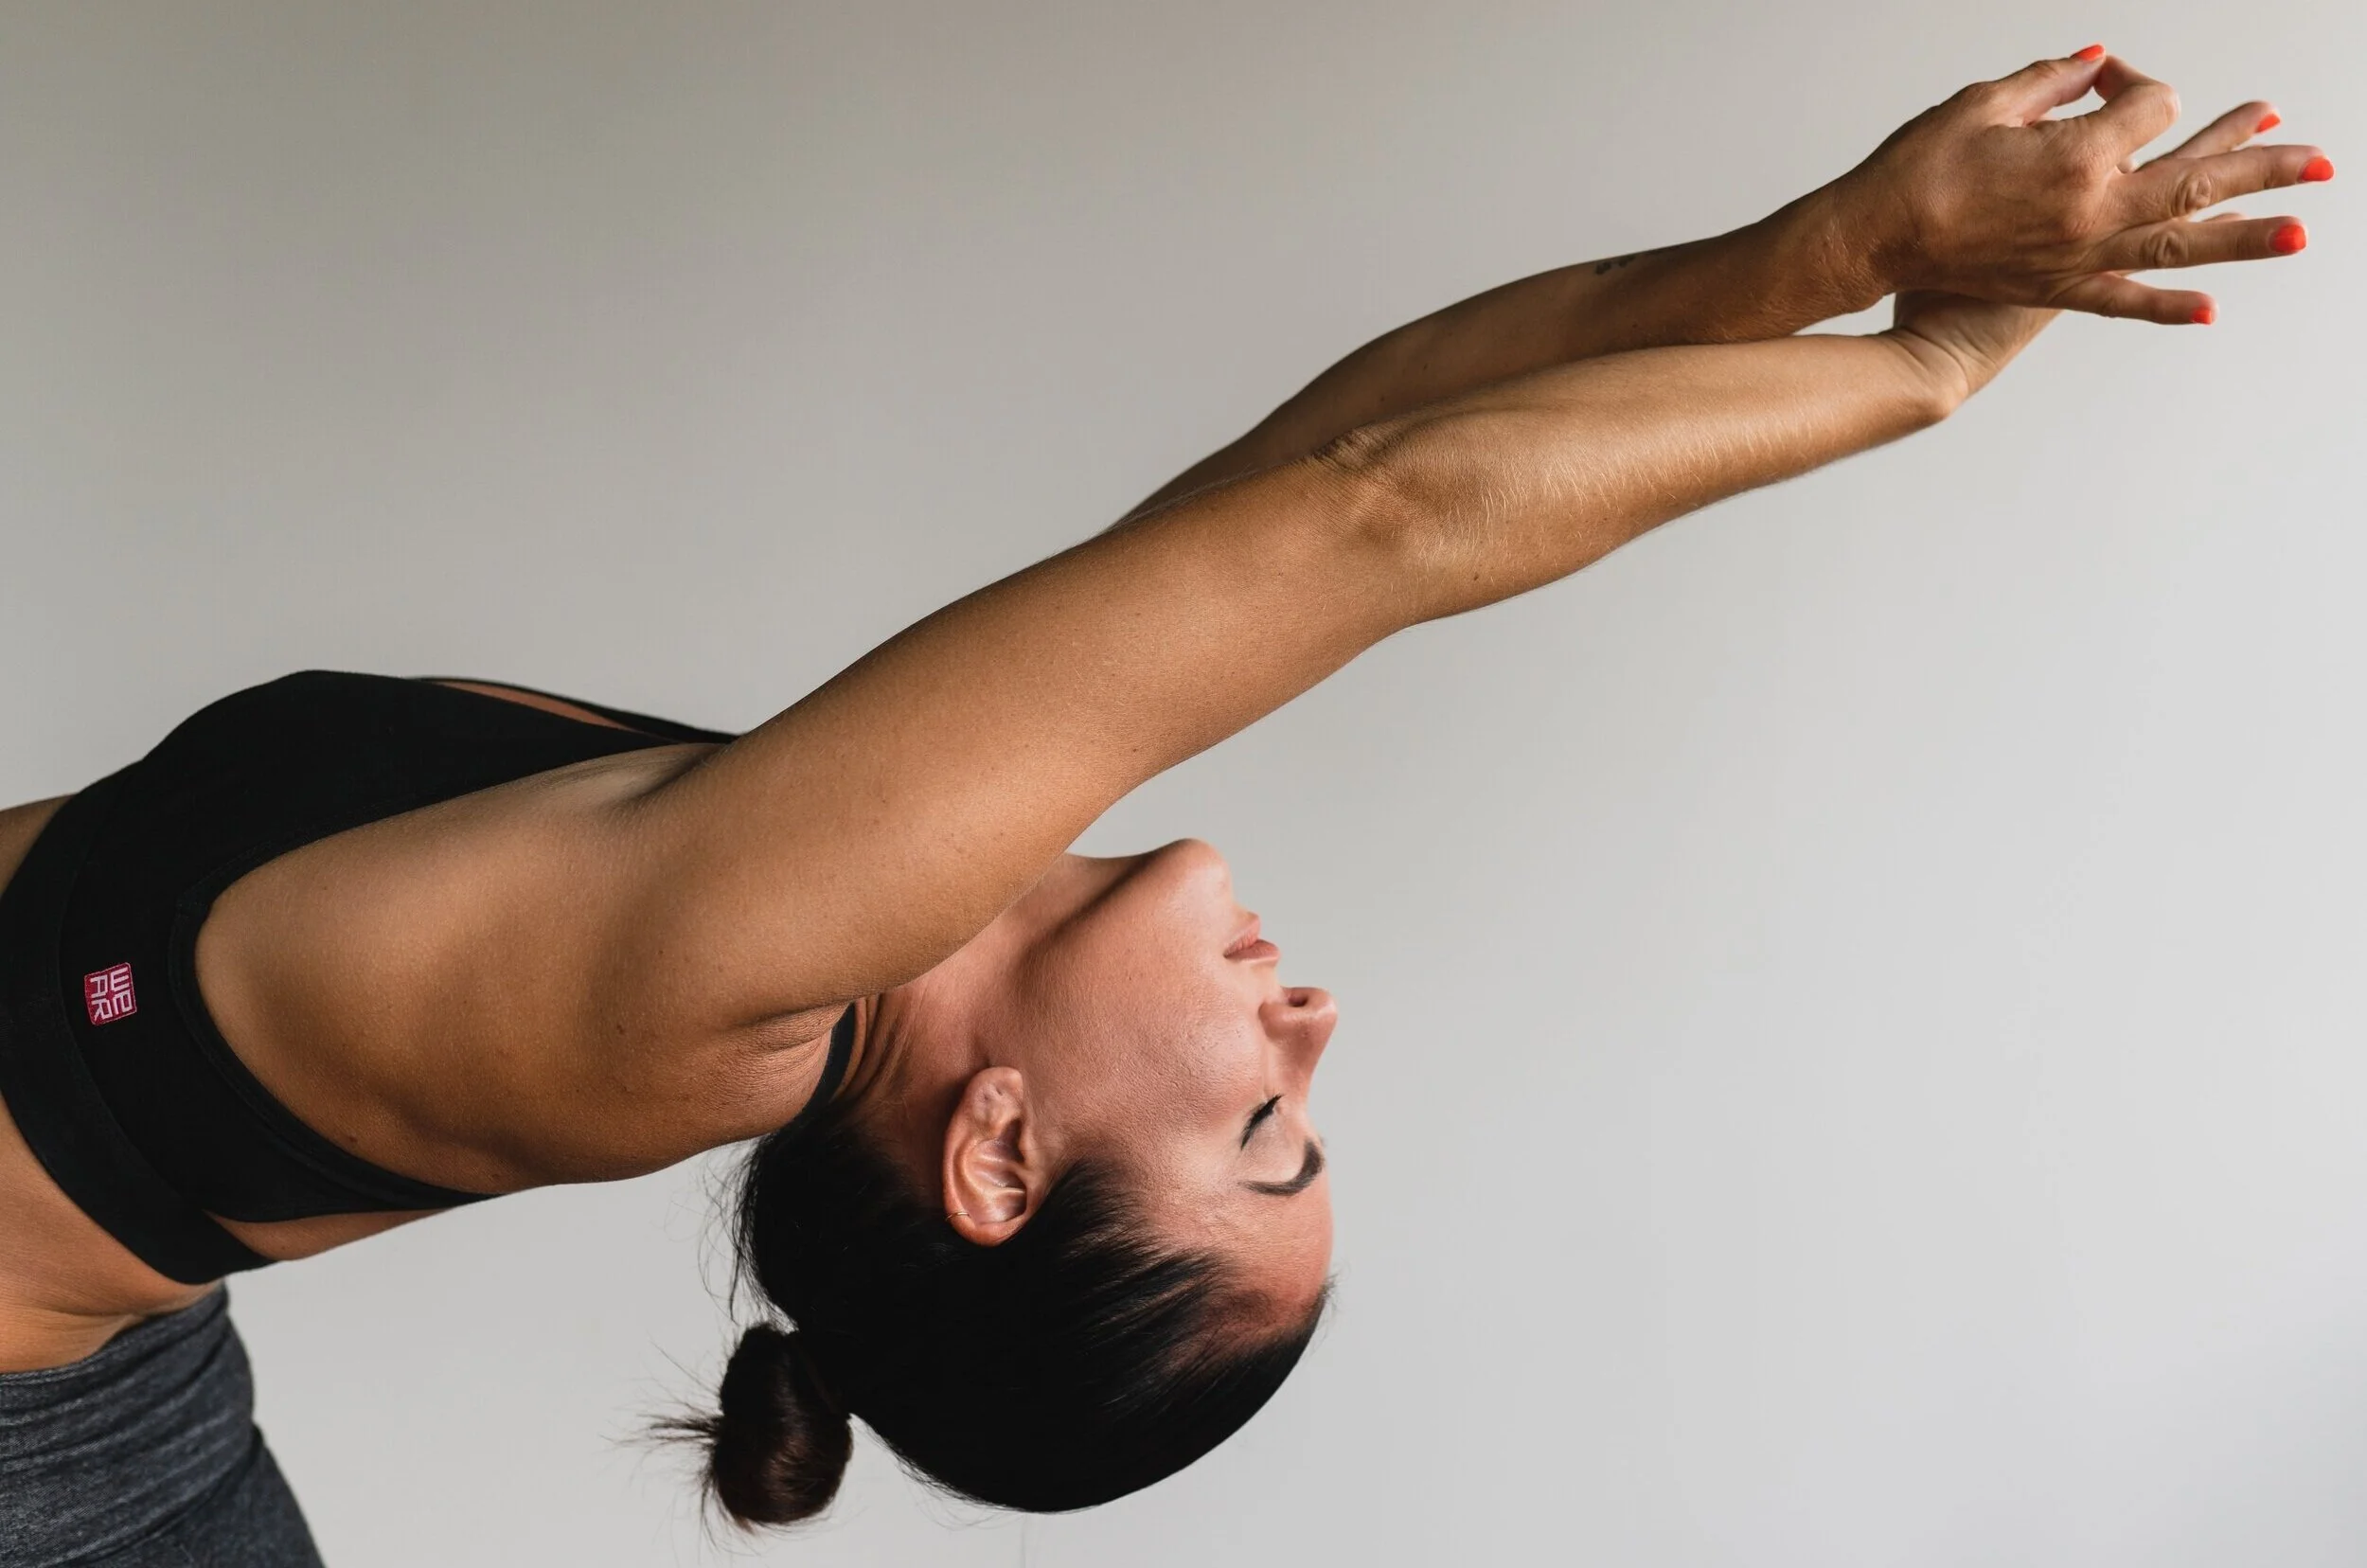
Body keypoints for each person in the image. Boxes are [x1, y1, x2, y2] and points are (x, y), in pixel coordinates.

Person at [0, 46, 2329, 1565]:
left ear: (998, 1159)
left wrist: (1924, 377)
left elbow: (1380, 519)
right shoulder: (842, 885)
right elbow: (1335, 449)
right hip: (115, 1398)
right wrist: (1826, 258)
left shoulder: (718, 987)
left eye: (1263, 1130)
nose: (1309, 1027)